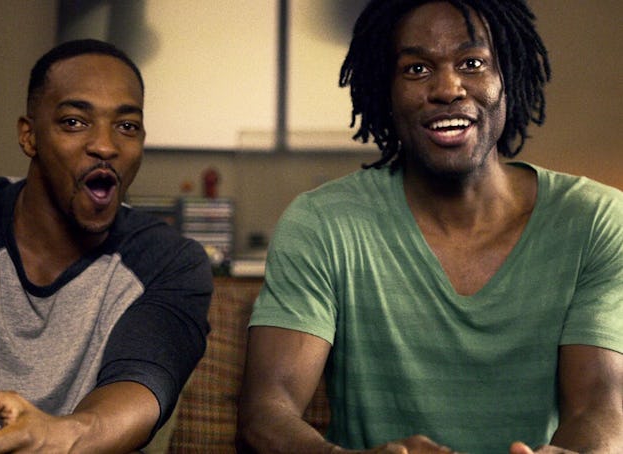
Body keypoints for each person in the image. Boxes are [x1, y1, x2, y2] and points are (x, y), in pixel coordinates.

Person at [237, 1, 623, 453]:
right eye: (416, 68)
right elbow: (266, 413)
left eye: (472, 63)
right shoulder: (323, 223)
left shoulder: (593, 220)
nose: (448, 89)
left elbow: (601, 406)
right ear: (386, 90)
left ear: (508, 76)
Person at [0, 39, 212, 453]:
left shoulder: (170, 262)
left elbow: (140, 389)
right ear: (29, 135)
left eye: (127, 126)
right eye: (74, 122)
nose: (105, 146)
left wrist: (53, 436)